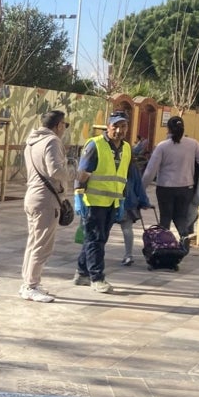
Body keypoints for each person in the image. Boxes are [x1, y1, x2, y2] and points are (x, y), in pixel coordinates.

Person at [73, 111, 132, 293]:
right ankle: (97, 277)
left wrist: (122, 199)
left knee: (99, 239)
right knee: (95, 239)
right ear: (108, 126)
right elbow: (83, 173)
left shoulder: (127, 148)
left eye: (123, 126)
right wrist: (78, 195)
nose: (119, 130)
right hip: (93, 201)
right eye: (116, 126)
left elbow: (123, 175)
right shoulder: (95, 145)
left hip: (112, 202)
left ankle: (82, 273)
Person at [19, 109, 71, 302]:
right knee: (42, 245)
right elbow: (55, 170)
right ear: (58, 125)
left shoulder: (31, 142)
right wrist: (74, 174)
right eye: (64, 125)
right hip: (46, 200)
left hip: (33, 196)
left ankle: (29, 282)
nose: (64, 129)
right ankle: (31, 286)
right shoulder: (52, 141)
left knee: (34, 242)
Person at [141, 115, 199, 249]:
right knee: (181, 218)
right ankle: (184, 243)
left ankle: (164, 247)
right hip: (186, 188)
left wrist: (142, 189)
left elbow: (150, 171)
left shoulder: (162, 147)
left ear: (168, 129)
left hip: (165, 188)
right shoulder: (193, 144)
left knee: (165, 219)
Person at [117, 159, 151, 266]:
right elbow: (138, 185)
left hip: (109, 200)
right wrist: (144, 202)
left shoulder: (110, 161)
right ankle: (128, 255)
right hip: (127, 200)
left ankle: (98, 254)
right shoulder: (131, 166)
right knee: (127, 228)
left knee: (104, 228)